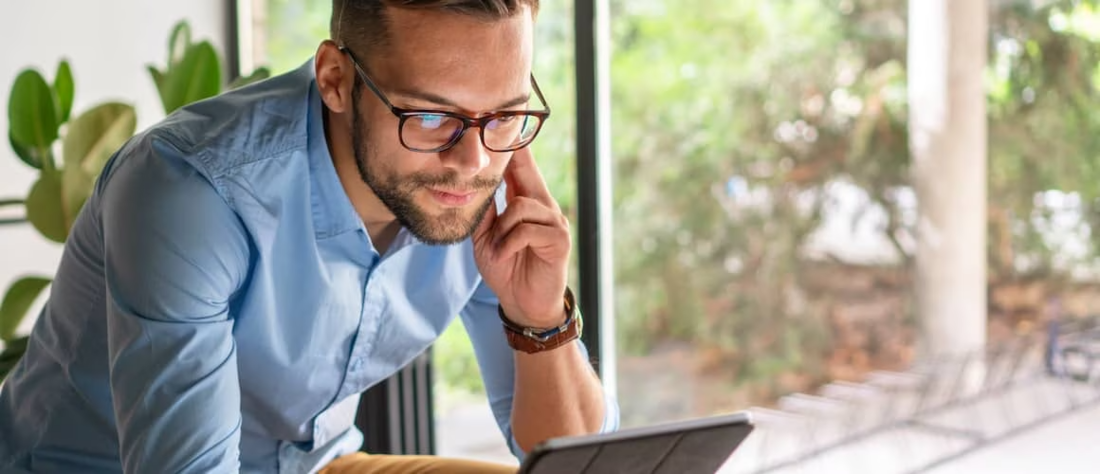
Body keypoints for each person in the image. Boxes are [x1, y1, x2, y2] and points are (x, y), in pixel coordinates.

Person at [0, 0, 620, 472]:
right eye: (431, 116)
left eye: (506, 115)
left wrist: (539, 319)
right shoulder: (190, 191)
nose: (474, 161)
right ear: (335, 80)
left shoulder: (487, 179)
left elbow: (575, 462)